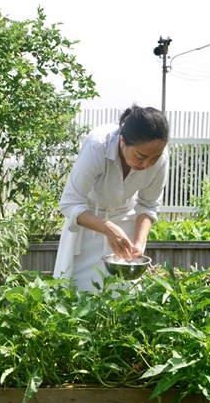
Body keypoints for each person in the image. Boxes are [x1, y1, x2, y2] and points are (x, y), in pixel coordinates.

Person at [53, 104, 169, 291]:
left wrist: (139, 243)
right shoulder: (97, 145)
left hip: (127, 220)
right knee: (78, 290)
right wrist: (107, 228)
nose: (147, 164)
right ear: (123, 141)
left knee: (124, 294)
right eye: (140, 156)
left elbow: (148, 206)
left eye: (153, 158)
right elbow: (69, 203)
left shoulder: (160, 158)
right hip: (88, 219)